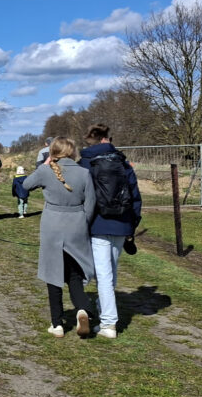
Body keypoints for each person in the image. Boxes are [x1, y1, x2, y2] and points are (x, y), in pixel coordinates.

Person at [23, 137, 96, 338]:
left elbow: (26, 185)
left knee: (53, 274)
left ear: (52, 151)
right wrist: (83, 223)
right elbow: (91, 204)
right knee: (75, 273)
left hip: (52, 226)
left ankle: (57, 323)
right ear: (73, 152)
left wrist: (45, 165)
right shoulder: (84, 173)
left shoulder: (46, 171)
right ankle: (82, 308)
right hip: (76, 224)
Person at [78, 124, 142, 340]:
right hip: (122, 224)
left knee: (103, 275)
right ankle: (102, 309)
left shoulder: (85, 163)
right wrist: (132, 225)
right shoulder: (123, 163)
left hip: (97, 224)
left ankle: (108, 323)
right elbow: (135, 196)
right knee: (110, 273)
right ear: (106, 139)